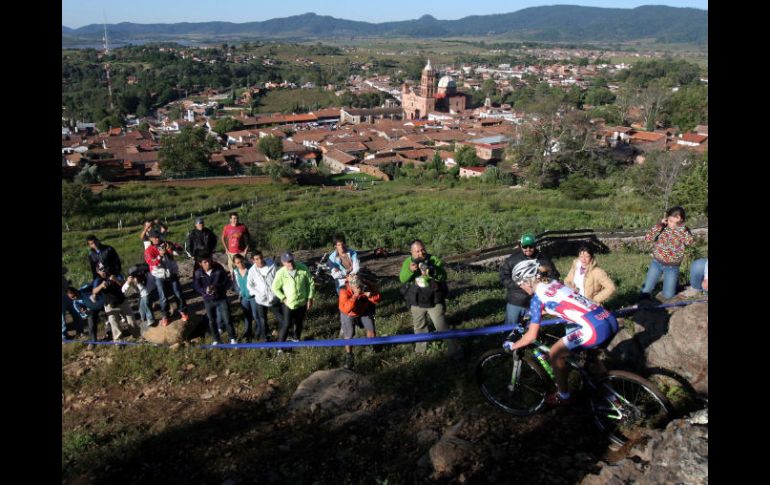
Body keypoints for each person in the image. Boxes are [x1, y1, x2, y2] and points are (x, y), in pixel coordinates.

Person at [503, 259, 619, 405]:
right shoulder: (552, 283)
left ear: (527, 281)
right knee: (592, 359)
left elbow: (531, 336)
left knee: (555, 353)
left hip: (594, 328)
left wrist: (512, 346)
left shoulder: (537, 299)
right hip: (608, 319)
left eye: (520, 284)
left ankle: (564, 396)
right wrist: (534, 314)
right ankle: (613, 396)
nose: (521, 288)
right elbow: (557, 303)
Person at [399, 239, 458, 355]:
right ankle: (420, 351)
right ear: (411, 252)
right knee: (419, 327)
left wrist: (433, 271)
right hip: (416, 300)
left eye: (422, 250)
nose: (421, 253)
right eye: (417, 251)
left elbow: (443, 276)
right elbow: (402, 278)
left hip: (433, 299)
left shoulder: (433, 259)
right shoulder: (408, 262)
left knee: (441, 325)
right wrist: (410, 270)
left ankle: (455, 350)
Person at [499, 233, 559, 326]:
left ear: (535, 245)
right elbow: (503, 277)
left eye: (530, 246)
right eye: (525, 246)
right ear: (521, 246)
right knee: (510, 329)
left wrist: (541, 282)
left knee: (529, 330)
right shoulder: (513, 259)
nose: (528, 249)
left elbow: (554, 277)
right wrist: (519, 285)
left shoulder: (544, 259)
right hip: (516, 301)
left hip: (535, 302)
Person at [640, 206, 694, 300]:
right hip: (657, 263)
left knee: (668, 295)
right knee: (646, 290)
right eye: (670, 221)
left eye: (676, 222)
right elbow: (648, 238)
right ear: (667, 218)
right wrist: (660, 225)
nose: (672, 224)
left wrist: (681, 229)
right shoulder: (662, 227)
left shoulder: (684, 231)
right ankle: (643, 302)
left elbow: (689, 242)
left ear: (682, 221)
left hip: (672, 266)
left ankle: (671, 285)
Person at [144, 229, 189, 325]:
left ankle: (183, 311)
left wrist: (173, 248)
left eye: (158, 236)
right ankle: (165, 315)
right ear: (150, 238)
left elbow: (180, 252)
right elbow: (151, 262)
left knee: (178, 293)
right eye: (154, 237)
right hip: (159, 275)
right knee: (163, 296)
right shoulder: (149, 250)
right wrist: (160, 255)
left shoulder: (167, 243)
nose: (157, 239)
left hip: (171, 273)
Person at [271, 252, 315, 344]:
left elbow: (310, 283)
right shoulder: (280, 273)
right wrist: (283, 298)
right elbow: (275, 288)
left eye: (291, 260)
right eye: (287, 262)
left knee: (299, 322)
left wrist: (310, 298)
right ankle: (280, 346)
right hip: (289, 304)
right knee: (286, 324)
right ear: (283, 262)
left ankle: (296, 339)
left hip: (302, 302)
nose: (290, 263)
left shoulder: (303, 268)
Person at [338, 275, 381, 369]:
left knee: (371, 329)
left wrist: (370, 295)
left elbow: (377, 298)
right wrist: (355, 296)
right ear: (351, 286)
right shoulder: (343, 291)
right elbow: (346, 309)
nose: (360, 288)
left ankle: (372, 349)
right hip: (349, 313)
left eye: (361, 286)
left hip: (364, 309)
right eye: (357, 287)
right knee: (349, 335)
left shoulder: (365, 285)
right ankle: (349, 355)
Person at [193, 255, 236, 345]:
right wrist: (205, 290)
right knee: (212, 321)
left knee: (227, 319)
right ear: (200, 263)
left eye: (209, 261)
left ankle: (233, 338)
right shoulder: (198, 273)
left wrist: (217, 287)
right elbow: (197, 286)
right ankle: (216, 339)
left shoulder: (218, 269)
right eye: (205, 262)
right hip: (208, 301)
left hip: (221, 299)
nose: (208, 263)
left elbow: (227, 282)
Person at [92, 267, 140, 341]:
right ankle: (118, 342)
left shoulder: (113, 275)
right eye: (101, 271)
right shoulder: (97, 280)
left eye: (104, 269)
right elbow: (94, 291)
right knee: (115, 324)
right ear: (98, 271)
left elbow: (123, 284)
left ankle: (137, 336)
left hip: (122, 301)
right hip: (110, 305)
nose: (104, 272)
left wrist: (116, 280)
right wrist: (101, 286)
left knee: (131, 320)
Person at [246, 251, 283, 341]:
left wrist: (278, 292)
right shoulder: (252, 271)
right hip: (261, 300)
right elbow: (249, 285)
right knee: (262, 320)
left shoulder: (272, 265)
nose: (260, 261)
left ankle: (282, 335)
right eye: (257, 259)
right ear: (253, 261)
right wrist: (256, 293)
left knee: (281, 318)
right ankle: (265, 337)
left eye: (261, 258)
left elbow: (278, 279)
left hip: (273, 298)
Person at [231, 254, 259, 342]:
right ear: (235, 264)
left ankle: (259, 332)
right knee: (247, 316)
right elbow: (235, 285)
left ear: (244, 260)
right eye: (238, 263)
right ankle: (248, 333)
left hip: (254, 297)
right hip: (244, 298)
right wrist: (239, 292)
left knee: (256, 315)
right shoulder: (235, 272)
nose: (240, 264)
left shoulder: (251, 269)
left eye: (241, 261)